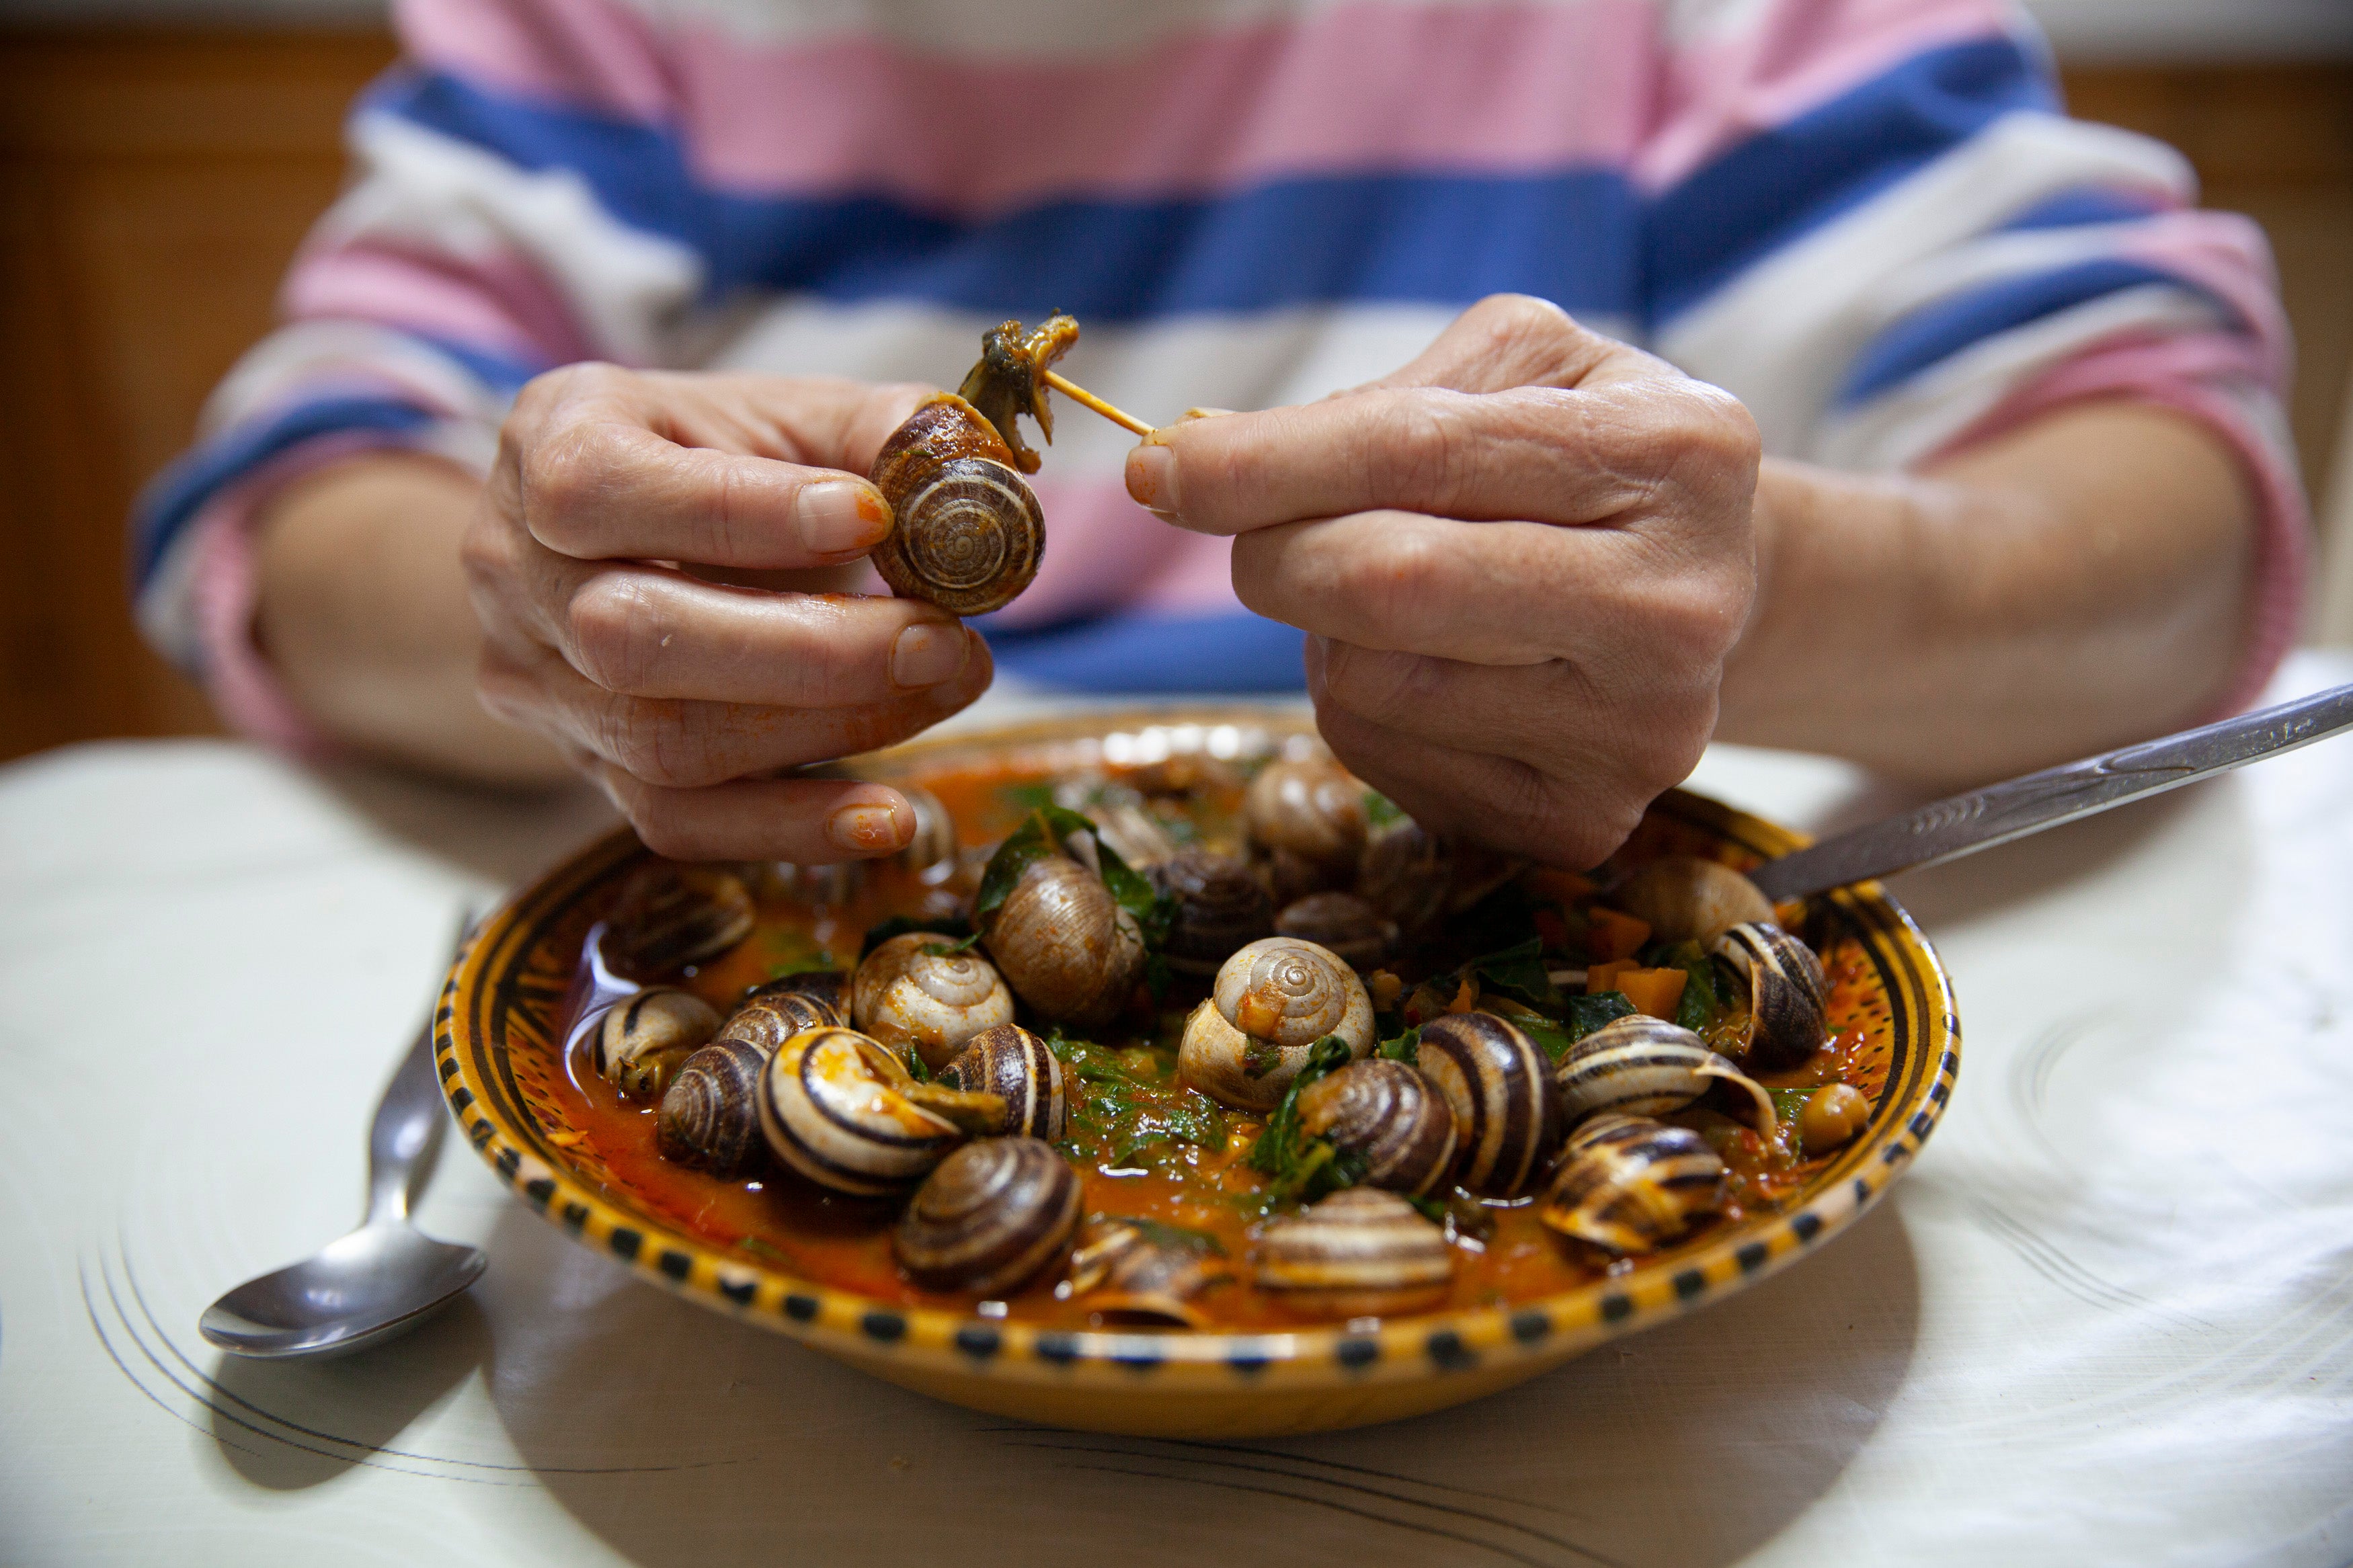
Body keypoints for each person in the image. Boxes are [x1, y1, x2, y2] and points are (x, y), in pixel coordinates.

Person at [133, 0, 2306, 870]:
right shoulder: (610, 31)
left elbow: (2168, 517)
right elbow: (299, 502)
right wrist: (547, 590)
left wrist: (1767, 593)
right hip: (798, 942)